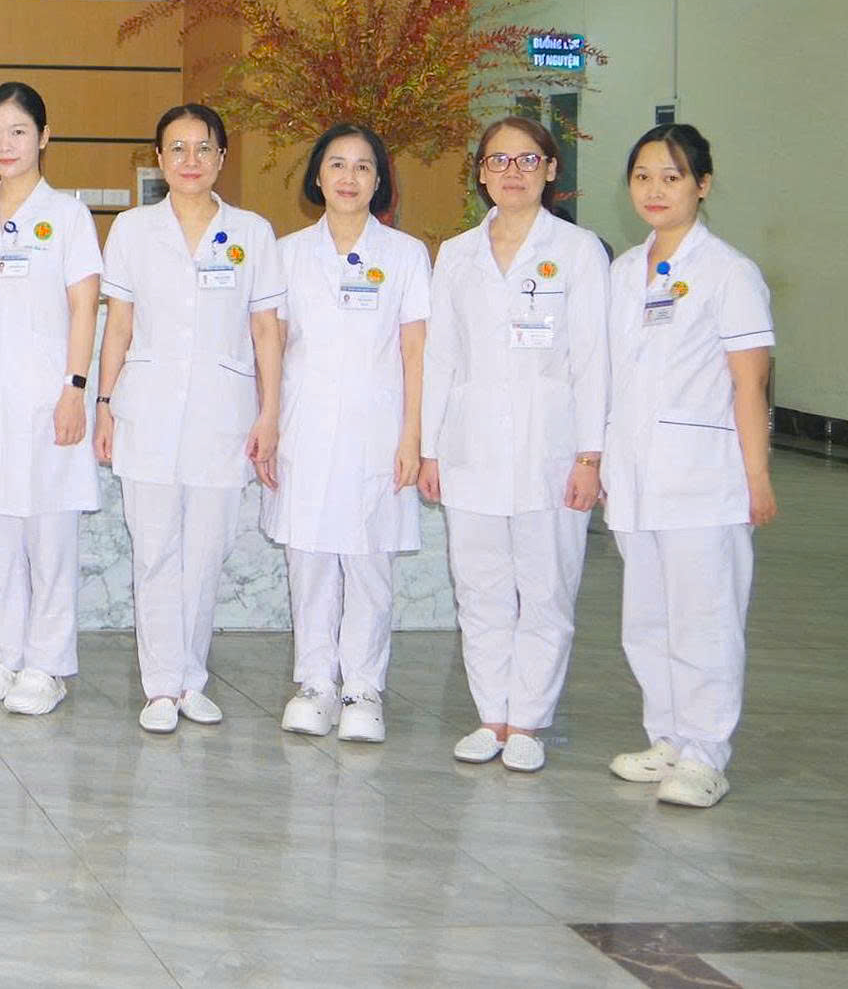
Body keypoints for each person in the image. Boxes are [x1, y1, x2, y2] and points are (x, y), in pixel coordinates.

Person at [420, 115, 607, 773]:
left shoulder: (580, 252)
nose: (512, 172)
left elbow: (592, 358)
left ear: (551, 170)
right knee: (481, 587)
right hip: (469, 446)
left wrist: (590, 454)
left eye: (527, 160)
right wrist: (428, 448)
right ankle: (490, 715)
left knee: (547, 587)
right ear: (480, 172)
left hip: (550, 449)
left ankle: (527, 719)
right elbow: (439, 357)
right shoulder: (456, 254)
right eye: (499, 161)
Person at [603, 123, 775, 811]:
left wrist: (756, 475)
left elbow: (749, 383)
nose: (655, 189)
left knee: (704, 617)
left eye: (671, 176)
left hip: (705, 477)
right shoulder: (623, 271)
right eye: (643, 175)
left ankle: (706, 753)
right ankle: (668, 736)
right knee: (647, 617)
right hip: (637, 474)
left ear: (702, 185)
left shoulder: (728, 272)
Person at [95, 104, 282, 735]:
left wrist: (270, 413)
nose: (190, 162)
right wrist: (103, 403)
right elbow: (117, 324)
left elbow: (265, 330)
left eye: (203, 149)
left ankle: (191, 680)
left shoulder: (252, 233)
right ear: (159, 158)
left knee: (206, 552)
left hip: (223, 414)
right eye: (177, 149)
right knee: (153, 551)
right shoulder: (130, 229)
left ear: (222, 158)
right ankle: (159, 684)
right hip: (144, 408)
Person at [261, 124, 429, 745]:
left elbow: (416, 351)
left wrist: (413, 437)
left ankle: (362, 688)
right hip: (303, 425)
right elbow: (271, 345)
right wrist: (270, 420)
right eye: (337, 165)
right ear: (318, 176)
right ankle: (314, 683)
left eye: (363, 167)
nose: (349, 178)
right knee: (308, 560)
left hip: (377, 429)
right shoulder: (287, 253)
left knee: (368, 562)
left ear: (379, 179)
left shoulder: (406, 255)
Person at [0, 81, 101, 717]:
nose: (4, 144)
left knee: (49, 535)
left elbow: (85, 304)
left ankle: (47, 663)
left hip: (49, 399)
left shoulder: (67, 216)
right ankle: (4, 656)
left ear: (44, 137)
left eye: (17, 131)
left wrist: (74, 387)